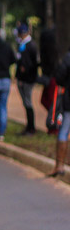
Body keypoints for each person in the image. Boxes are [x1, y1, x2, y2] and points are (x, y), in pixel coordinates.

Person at [48, 45, 70, 176]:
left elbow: (59, 78)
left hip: (68, 101)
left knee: (63, 132)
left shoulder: (67, 59)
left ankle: (59, 166)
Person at [15, 23, 39, 135]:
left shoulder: (30, 45)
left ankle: (31, 128)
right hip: (23, 78)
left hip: (27, 79)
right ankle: (29, 127)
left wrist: (24, 73)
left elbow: (32, 64)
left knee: (28, 102)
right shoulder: (23, 45)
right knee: (26, 103)